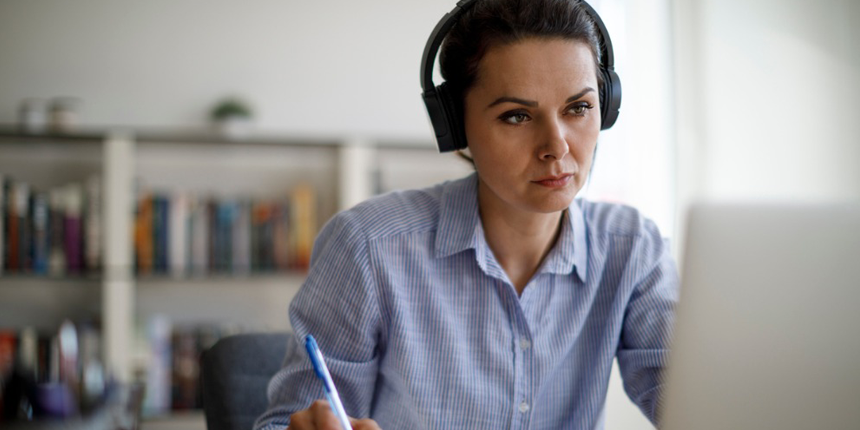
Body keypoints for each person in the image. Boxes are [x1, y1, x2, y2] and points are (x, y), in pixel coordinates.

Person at [254, 0, 678, 428]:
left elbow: (693, 401)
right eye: (517, 115)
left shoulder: (635, 251)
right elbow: (287, 421)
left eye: (579, 108)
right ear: (456, 127)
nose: (557, 146)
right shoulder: (368, 248)